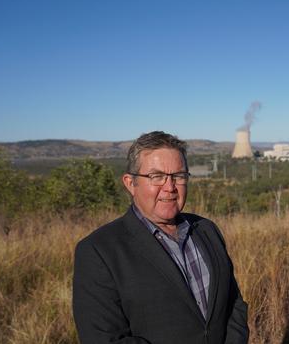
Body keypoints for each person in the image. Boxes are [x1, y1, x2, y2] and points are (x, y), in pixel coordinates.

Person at [73, 131, 249, 344]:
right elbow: (104, 339)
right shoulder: (99, 251)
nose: (170, 187)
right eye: (156, 176)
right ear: (130, 183)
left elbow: (233, 303)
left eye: (179, 176)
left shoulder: (207, 230)